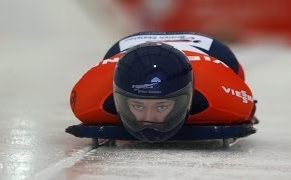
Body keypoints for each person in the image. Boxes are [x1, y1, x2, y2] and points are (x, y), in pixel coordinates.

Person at [70, 32, 257, 143]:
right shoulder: (91, 95)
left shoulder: (225, 96)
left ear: (188, 98)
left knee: (237, 72)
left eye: (161, 106)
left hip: (213, 52)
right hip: (123, 49)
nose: (148, 119)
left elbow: (248, 105)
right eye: (138, 106)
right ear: (118, 97)